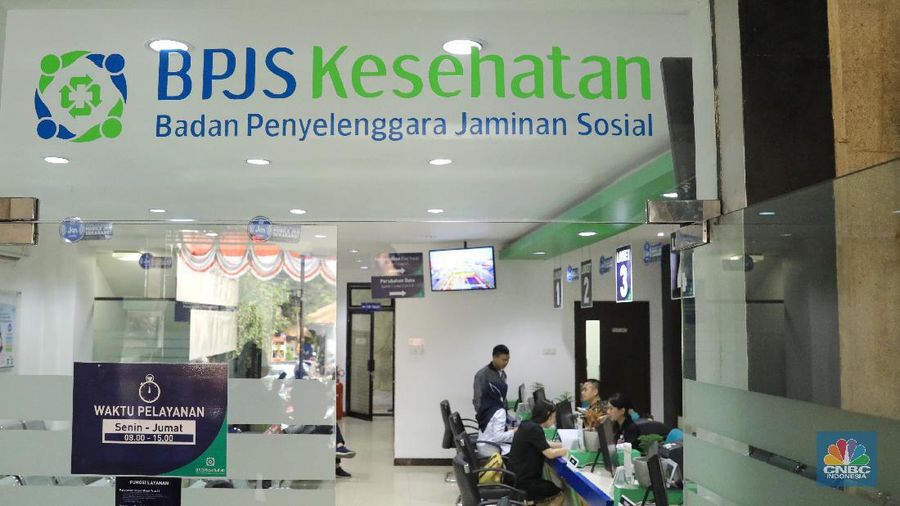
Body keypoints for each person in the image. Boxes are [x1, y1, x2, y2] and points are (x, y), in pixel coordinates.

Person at [506, 400, 568, 506]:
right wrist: (568, 450)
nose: (554, 420)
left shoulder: (527, 424)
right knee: (559, 494)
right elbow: (550, 454)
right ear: (548, 415)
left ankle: (531, 502)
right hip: (524, 482)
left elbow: (544, 443)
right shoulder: (535, 430)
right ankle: (531, 501)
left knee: (544, 495)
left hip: (515, 477)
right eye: (554, 417)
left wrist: (562, 444)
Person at [475, 381, 516, 457]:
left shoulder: (486, 407)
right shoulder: (499, 411)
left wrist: (507, 430)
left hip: (482, 446)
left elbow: (491, 427)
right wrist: (514, 431)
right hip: (492, 450)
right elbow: (499, 437)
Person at [473, 344, 510, 411]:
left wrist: (505, 410)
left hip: (501, 413)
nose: (506, 362)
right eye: (504, 360)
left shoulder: (503, 374)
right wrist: (488, 415)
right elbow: (477, 402)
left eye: (508, 360)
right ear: (494, 357)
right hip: (489, 415)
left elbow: (503, 398)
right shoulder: (482, 375)